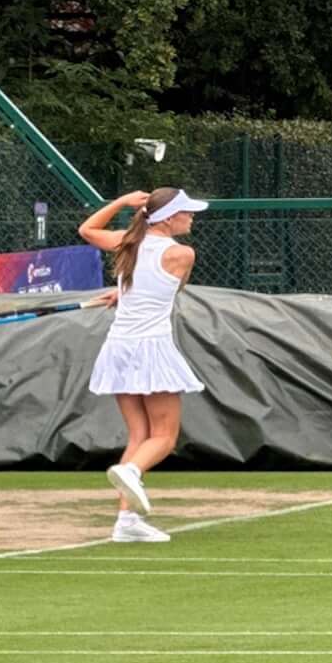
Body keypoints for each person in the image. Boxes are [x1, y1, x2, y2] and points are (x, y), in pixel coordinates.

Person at [76, 185, 209, 543]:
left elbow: (87, 230)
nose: (191, 217)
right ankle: (132, 470)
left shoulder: (129, 242)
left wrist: (120, 202)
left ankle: (126, 523)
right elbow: (170, 289)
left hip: (119, 347)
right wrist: (128, 292)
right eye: (186, 212)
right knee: (164, 437)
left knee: (139, 436)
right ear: (167, 218)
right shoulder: (182, 254)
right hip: (150, 348)